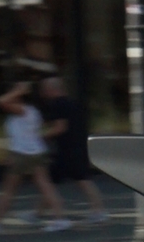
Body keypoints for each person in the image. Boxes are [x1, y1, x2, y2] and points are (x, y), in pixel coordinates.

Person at [0, 76, 68, 232]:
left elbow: (0, 102)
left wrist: (18, 90)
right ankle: (60, 219)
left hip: (21, 154)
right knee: (45, 186)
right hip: (37, 152)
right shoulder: (32, 111)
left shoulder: (22, 110)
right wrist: (19, 91)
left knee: (9, 190)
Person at [36, 75, 108, 223]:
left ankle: (99, 210)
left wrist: (42, 137)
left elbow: (60, 127)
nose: (43, 93)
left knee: (64, 181)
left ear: (51, 89)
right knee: (56, 181)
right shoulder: (73, 103)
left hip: (67, 149)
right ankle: (38, 212)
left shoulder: (58, 104)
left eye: (44, 89)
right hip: (77, 146)